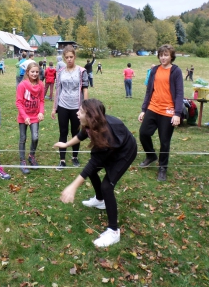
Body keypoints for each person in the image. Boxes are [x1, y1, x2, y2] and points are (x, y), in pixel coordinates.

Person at [56, 99, 137, 247]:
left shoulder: (104, 135)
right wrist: (66, 144)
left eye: (80, 111)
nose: (77, 113)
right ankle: (100, 200)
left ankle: (113, 231)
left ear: (90, 115)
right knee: (94, 174)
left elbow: (91, 165)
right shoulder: (91, 124)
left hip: (125, 152)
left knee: (107, 186)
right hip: (112, 148)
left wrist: (72, 187)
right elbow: (82, 135)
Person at [138, 44, 184, 181]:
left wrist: (177, 113)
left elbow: (180, 93)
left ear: (171, 56)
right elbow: (149, 91)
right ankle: (151, 155)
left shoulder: (176, 71)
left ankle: (162, 168)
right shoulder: (154, 70)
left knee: (165, 141)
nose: (163, 58)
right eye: (161, 55)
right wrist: (143, 110)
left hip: (168, 111)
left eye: (166, 55)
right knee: (143, 133)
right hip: (153, 108)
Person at [51, 45, 89, 170]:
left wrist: (85, 108)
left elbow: (85, 90)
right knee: (63, 132)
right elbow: (58, 90)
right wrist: (54, 108)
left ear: (75, 57)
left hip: (76, 107)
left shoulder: (82, 71)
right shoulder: (60, 72)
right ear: (64, 58)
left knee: (75, 132)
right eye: (66, 57)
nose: (69, 59)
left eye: (71, 57)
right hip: (63, 106)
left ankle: (75, 157)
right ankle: (62, 160)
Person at [16, 62, 45, 174]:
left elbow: (42, 100)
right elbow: (18, 102)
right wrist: (24, 116)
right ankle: (22, 160)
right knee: (23, 138)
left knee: (35, 137)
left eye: (37, 72)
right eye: (32, 72)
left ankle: (31, 156)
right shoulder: (22, 85)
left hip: (35, 116)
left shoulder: (41, 85)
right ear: (27, 72)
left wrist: (41, 112)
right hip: (24, 116)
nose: (35, 74)